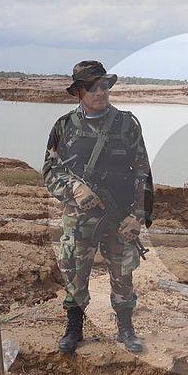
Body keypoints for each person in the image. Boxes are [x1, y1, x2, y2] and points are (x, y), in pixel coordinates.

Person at [42, 60, 153, 354]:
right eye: (92, 88)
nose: (100, 92)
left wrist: (137, 216)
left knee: (123, 274)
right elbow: (50, 171)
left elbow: (143, 173)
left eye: (104, 86)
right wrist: (74, 188)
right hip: (80, 219)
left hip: (120, 217)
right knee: (75, 272)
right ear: (78, 92)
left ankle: (126, 328)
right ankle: (74, 328)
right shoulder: (64, 127)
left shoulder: (127, 125)